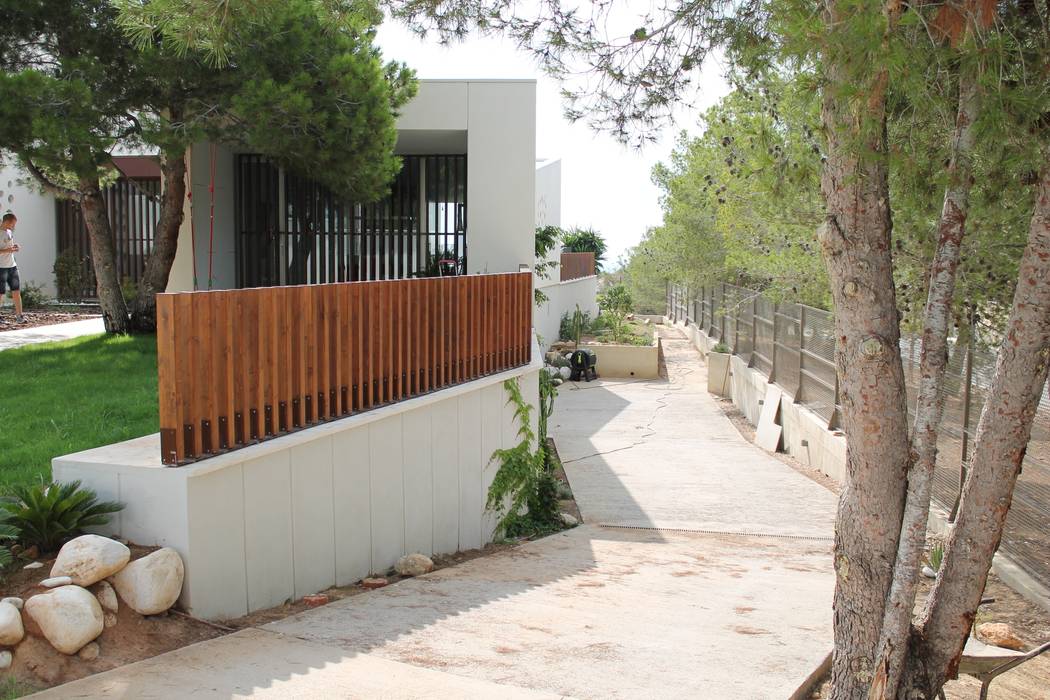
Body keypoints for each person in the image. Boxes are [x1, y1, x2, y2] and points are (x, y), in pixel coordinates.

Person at [0, 211, 24, 324]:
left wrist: (15, 246)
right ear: (6, 222)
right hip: (1, 267)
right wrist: (8, 250)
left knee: (16, 291)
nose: (13, 226)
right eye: (12, 224)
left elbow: (8, 245)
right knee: (1, 293)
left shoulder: (9, 232)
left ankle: (20, 316)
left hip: (12, 266)